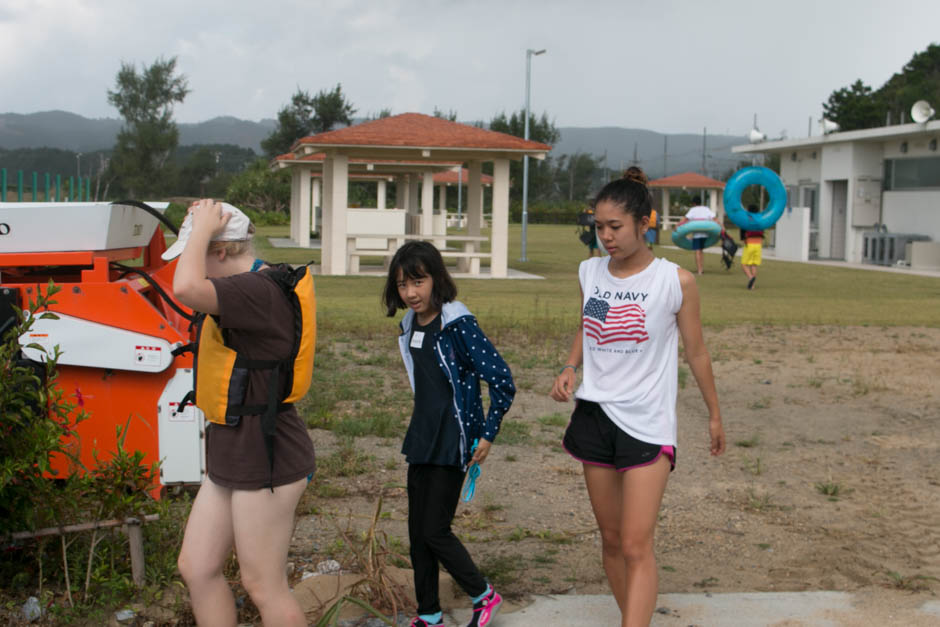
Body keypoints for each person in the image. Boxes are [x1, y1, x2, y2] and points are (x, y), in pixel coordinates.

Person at [549, 169, 725, 627]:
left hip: (647, 421)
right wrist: (570, 367)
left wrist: (714, 415)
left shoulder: (675, 282)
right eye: (599, 227)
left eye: (615, 227)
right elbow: (590, 326)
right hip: (594, 416)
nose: (605, 236)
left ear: (644, 223)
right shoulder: (591, 272)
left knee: (634, 543)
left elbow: (697, 351)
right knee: (610, 539)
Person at [172, 199, 315, 627]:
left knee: (263, 585)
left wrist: (200, 230)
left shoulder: (257, 291)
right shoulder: (249, 286)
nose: (192, 264)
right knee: (197, 566)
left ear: (219, 252)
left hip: (266, 454)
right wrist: (201, 231)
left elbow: (184, 289)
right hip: (234, 447)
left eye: (197, 253)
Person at [383, 241, 515, 627]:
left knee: (435, 530)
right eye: (403, 284)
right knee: (416, 533)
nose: (410, 293)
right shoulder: (409, 325)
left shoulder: (458, 324)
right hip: (422, 436)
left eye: (418, 282)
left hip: (455, 439)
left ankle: (484, 595)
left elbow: (503, 381)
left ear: (437, 278)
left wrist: (488, 434)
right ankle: (429, 615)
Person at [677, 196, 721, 275]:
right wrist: (721, 227)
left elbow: (685, 219)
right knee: (701, 251)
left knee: (697, 251)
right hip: (705, 234)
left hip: (697, 234)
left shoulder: (693, 210)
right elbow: (715, 219)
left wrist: (677, 225)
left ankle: (699, 270)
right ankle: (701, 268)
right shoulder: (706, 209)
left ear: (694, 203)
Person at [739, 204, 764, 290]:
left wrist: (744, 239)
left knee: (744, 264)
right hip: (759, 245)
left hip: (749, 244)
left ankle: (750, 278)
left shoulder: (747, 220)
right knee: (754, 265)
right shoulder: (760, 220)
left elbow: (742, 233)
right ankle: (752, 286)